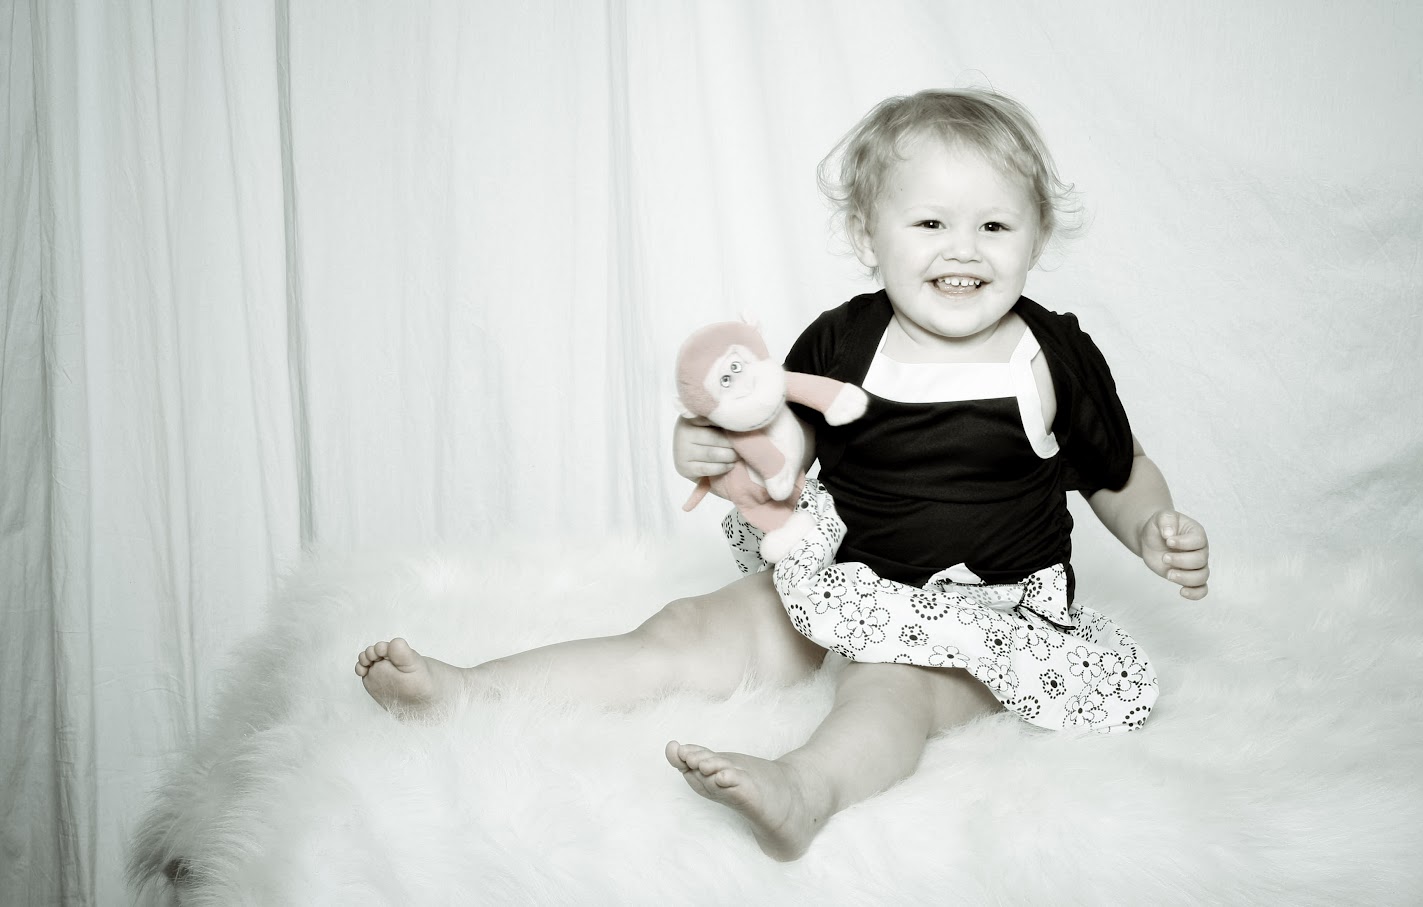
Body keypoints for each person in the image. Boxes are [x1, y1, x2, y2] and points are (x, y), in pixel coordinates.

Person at [354, 89, 1211, 861]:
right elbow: (779, 447)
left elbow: (1119, 467)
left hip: (983, 615)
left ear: (1037, 237)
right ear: (867, 235)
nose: (964, 249)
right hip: (847, 578)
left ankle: (805, 788)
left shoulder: (1051, 354)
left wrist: (1151, 524)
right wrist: (713, 448)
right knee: (686, 627)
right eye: (930, 223)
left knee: (889, 687)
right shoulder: (844, 338)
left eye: (995, 226)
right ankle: (472, 688)